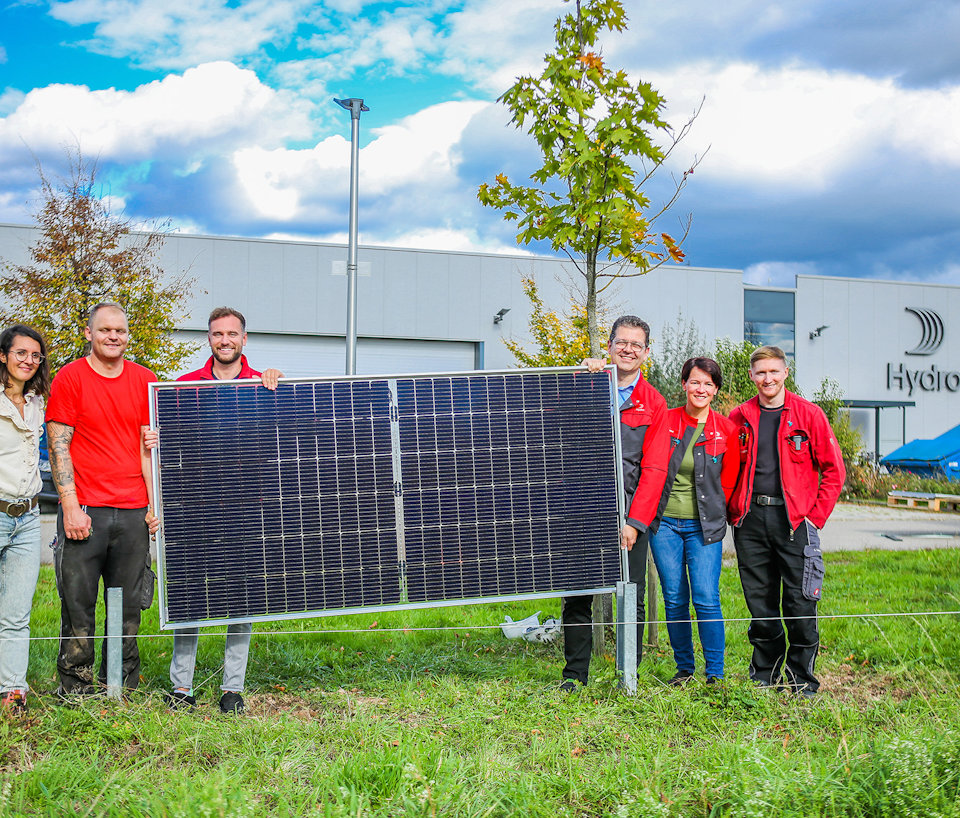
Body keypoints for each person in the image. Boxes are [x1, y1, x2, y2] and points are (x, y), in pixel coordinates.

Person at [150, 307, 282, 714]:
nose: (224, 340)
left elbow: (283, 436)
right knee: (190, 596)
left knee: (241, 600)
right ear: (209, 339)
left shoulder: (265, 385)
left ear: (244, 339)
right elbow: (169, 448)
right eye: (216, 333)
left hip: (246, 507)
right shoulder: (183, 387)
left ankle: (232, 689)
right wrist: (154, 437)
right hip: (194, 506)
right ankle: (181, 689)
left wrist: (279, 390)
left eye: (232, 333)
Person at [46, 303, 160, 695]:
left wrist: (153, 505)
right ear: (89, 333)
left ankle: (121, 687)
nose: (114, 337)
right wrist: (70, 506)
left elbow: (149, 449)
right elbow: (59, 445)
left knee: (129, 608)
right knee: (78, 607)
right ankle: (75, 689)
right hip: (85, 512)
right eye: (105, 330)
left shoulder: (145, 380)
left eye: (121, 330)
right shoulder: (70, 378)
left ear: (128, 335)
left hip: (132, 513)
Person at [728, 345, 845, 697]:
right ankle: (764, 674)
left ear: (785, 373)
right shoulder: (740, 417)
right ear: (752, 376)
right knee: (760, 601)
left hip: (795, 521)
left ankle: (800, 681)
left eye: (774, 372)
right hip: (751, 521)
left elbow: (833, 471)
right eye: (761, 372)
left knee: (799, 600)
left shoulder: (809, 416)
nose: (768, 378)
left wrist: (814, 518)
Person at [561, 316, 670, 690]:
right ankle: (575, 676)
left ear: (646, 353)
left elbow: (655, 470)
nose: (628, 350)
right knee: (576, 594)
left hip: (627, 515)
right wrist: (582, 371)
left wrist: (635, 522)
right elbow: (551, 421)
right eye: (621, 342)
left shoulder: (655, 403)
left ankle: (629, 675)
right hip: (581, 508)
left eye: (636, 345)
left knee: (632, 595)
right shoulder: (584, 384)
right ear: (608, 346)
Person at [648, 357, 738, 686]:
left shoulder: (726, 429)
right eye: (695, 382)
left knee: (705, 597)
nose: (701, 389)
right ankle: (683, 668)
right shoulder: (666, 421)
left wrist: (719, 515)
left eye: (708, 384)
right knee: (674, 597)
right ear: (684, 384)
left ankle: (715, 672)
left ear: (716, 390)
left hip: (705, 527)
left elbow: (729, 482)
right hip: (666, 525)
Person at [0, 325, 51, 715]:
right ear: (3, 355)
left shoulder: (37, 402)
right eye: (21, 353)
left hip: (28, 517)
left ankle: (12, 691)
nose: (28, 361)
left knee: (17, 613)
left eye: (35, 356)